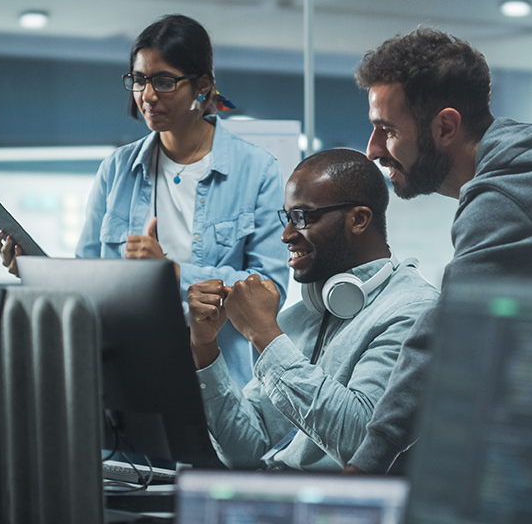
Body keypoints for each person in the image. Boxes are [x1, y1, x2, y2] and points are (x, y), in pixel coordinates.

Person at [345, 28, 532, 474]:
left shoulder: (505, 198)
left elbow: (443, 340)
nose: (373, 149)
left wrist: (364, 466)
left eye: (387, 130)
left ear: (446, 127)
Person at [0, 14, 288, 387]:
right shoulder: (117, 170)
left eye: (164, 82)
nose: (147, 96)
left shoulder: (257, 170)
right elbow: (90, 281)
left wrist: (171, 273)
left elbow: (269, 293)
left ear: (203, 85)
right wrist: (35, 271)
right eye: (139, 80)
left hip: (217, 379)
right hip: (125, 372)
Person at [188, 148, 439, 470]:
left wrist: (265, 335)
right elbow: (248, 452)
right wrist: (204, 347)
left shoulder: (413, 311)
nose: (287, 235)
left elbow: (362, 445)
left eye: (302, 217)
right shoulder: (299, 316)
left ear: (359, 219)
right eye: (287, 217)